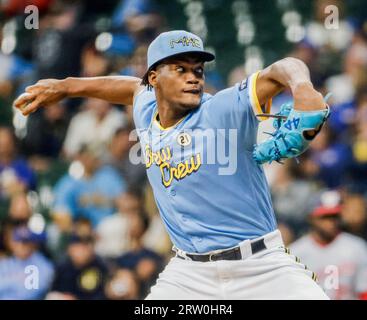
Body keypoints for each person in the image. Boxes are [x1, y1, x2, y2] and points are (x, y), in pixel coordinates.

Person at [14, 30, 330, 299]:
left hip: (261, 265)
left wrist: (302, 87)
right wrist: (67, 86)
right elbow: (128, 88)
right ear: (154, 78)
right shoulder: (146, 108)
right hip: (189, 273)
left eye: (198, 70)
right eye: (180, 69)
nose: (193, 77)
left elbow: (283, 68)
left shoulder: (223, 108)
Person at [290, 190, 367, 300]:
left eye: (334, 216)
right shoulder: (295, 253)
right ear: (311, 218)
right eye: (325, 216)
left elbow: (364, 292)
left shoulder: (357, 247)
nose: (331, 222)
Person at [47, 232, 108, 300]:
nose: (80, 252)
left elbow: (102, 294)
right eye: (77, 247)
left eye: (84, 247)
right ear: (69, 249)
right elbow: (54, 290)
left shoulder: (100, 266)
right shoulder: (62, 267)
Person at [0, 225, 54, 300]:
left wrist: (9, 283)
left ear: (33, 243)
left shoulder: (43, 265)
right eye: (17, 240)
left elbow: (29, 293)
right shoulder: (6, 263)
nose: (20, 245)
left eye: (25, 242)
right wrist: (17, 281)